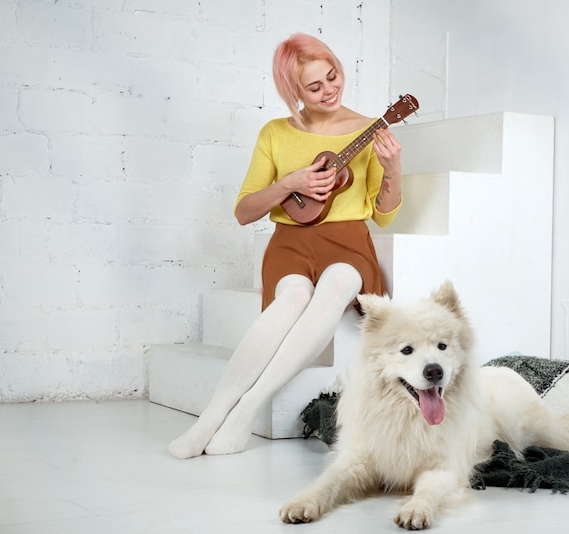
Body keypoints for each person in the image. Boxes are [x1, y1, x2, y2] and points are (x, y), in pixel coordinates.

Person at [168, 33, 403, 459]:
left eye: (332, 77)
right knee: (293, 297)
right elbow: (244, 211)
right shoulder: (275, 133)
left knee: (335, 286)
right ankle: (212, 416)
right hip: (290, 244)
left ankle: (245, 413)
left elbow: (384, 214)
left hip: (348, 243)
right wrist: (289, 183)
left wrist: (393, 169)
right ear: (293, 92)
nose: (329, 90)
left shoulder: (369, 130)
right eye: (314, 87)